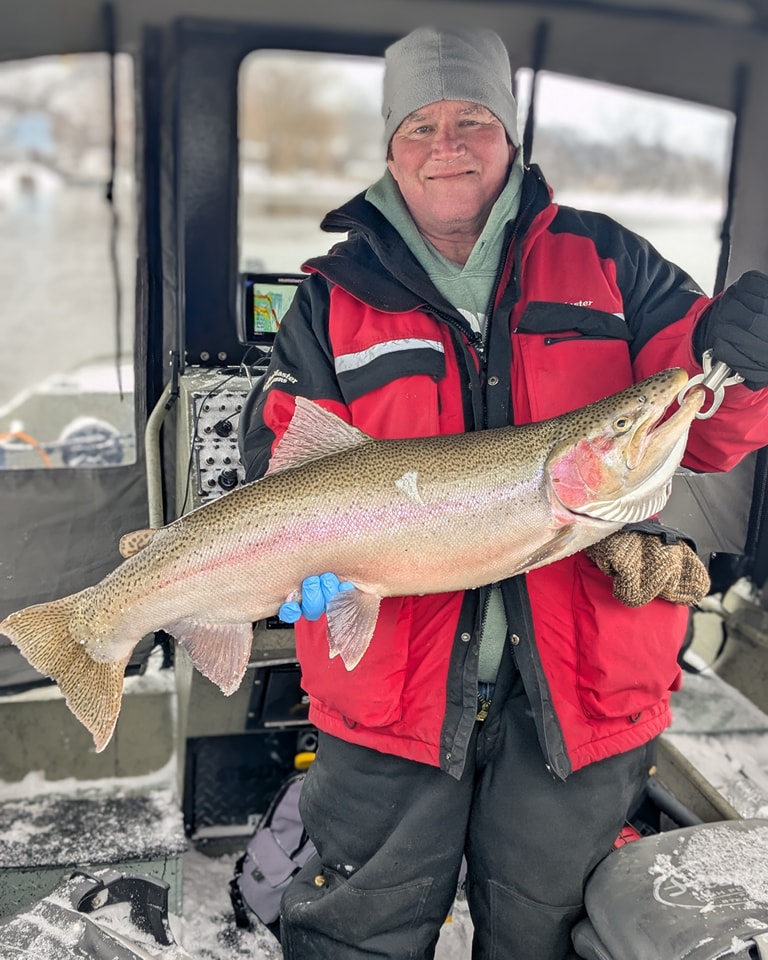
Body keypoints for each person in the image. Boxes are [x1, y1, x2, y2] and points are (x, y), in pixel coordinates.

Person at [239, 25, 768, 960]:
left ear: (512, 138)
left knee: (543, 937)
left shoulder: (615, 264)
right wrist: (288, 561)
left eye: (474, 119)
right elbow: (280, 453)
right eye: (420, 126)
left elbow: (706, 424)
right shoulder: (330, 300)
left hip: (579, 695)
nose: (447, 143)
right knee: (355, 936)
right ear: (389, 151)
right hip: (386, 702)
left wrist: (744, 363)